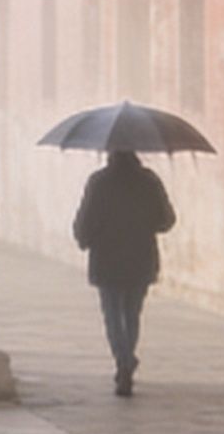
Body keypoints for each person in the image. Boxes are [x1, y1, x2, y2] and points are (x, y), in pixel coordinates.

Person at [72, 148, 175, 396]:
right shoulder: (149, 180)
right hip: (140, 258)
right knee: (131, 314)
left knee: (111, 314)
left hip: (107, 258)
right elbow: (167, 220)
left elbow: (85, 220)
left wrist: (84, 238)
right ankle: (126, 358)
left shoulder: (99, 182)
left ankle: (123, 359)